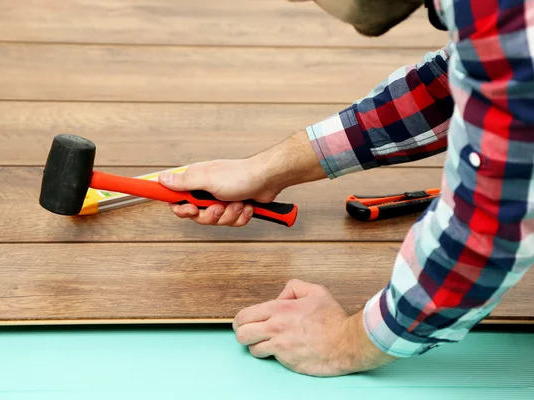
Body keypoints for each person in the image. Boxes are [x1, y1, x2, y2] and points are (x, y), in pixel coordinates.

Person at [158, 0, 534, 376]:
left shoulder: (508, 20)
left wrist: (344, 343)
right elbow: (453, 82)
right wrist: (267, 170)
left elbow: (494, 217)